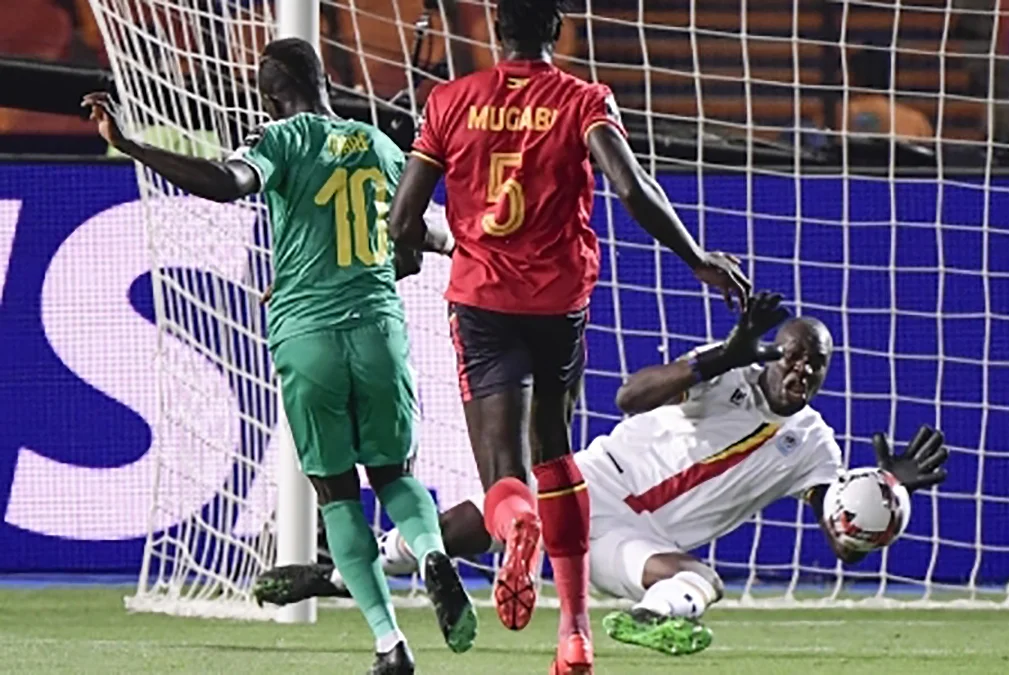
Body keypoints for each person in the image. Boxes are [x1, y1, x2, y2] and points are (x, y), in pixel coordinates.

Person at [254, 293, 950, 657]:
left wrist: (885, 491)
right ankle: (338, 575)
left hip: (634, 538)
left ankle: (648, 619)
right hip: (593, 480)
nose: (802, 370)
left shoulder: (815, 444)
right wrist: (722, 354)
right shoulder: (726, 370)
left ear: (824, 373)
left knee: (699, 579)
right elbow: (629, 396)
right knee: (471, 523)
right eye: (794, 355)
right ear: (774, 351)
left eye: (815, 364)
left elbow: (838, 532)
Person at [83, 38, 475, 675]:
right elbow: (413, 239)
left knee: (337, 494)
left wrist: (131, 144)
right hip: (378, 331)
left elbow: (226, 183)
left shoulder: (278, 139)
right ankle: (431, 553)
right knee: (396, 476)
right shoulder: (379, 145)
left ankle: (389, 643)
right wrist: (457, 251)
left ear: (268, 96)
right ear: (327, 84)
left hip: (308, 336)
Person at [385, 0, 751, 671]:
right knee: (554, 457)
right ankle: (574, 635)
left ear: (496, 30)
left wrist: (423, 248)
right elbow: (631, 187)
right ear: (557, 30)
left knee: (503, 475)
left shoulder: (449, 101)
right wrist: (696, 257)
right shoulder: (583, 100)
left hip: (482, 301)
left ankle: (514, 523)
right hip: (557, 304)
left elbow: (403, 219)